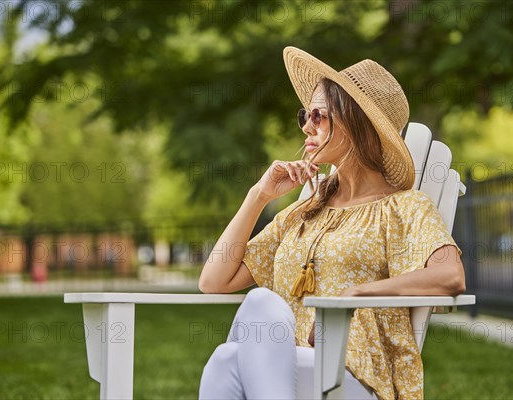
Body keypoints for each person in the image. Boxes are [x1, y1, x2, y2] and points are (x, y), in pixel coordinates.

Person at [198, 46, 466, 400]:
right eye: (304, 116)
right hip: (283, 366)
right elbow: (214, 281)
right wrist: (259, 195)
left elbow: (451, 276)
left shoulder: (404, 207)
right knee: (243, 330)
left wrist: (355, 294)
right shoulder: (305, 211)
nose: (307, 126)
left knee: (229, 355)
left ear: (357, 124)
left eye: (319, 116)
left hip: (354, 374)